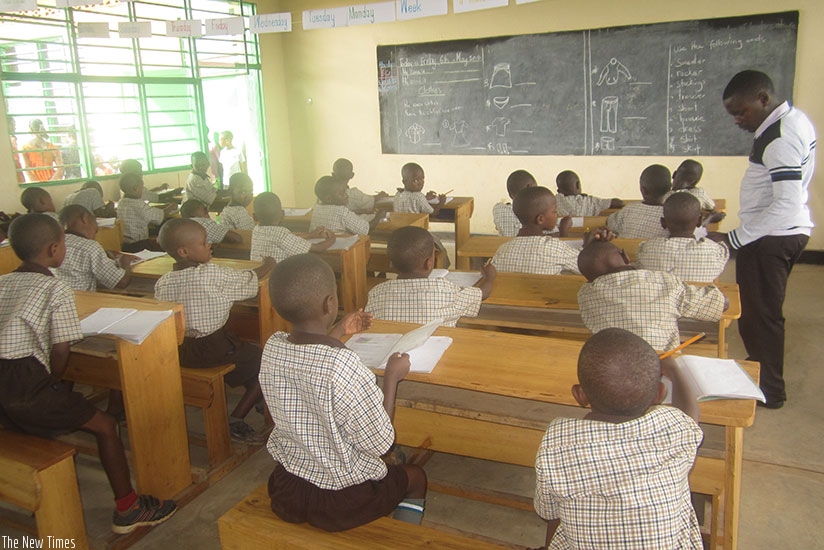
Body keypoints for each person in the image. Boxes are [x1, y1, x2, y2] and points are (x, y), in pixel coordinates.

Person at [0, 214, 176, 533]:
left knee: (26, 423)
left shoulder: (2, 281)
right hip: (25, 380)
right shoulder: (56, 288)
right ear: (54, 249)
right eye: (64, 243)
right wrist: (53, 382)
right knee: (106, 426)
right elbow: (62, 348)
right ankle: (128, 508)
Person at [262, 254, 427, 531]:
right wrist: (391, 378)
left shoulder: (273, 348)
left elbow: (310, 356)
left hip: (287, 489)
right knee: (416, 477)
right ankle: (402, 536)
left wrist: (338, 330)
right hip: (342, 501)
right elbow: (380, 444)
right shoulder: (344, 365)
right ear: (330, 303)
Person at [534, 328, 703, 549]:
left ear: (579, 395)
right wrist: (675, 369)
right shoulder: (673, 427)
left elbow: (549, 513)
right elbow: (691, 413)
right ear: (660, 394)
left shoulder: (556, 442)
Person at [709, 70, 816, 409]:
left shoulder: (780, 137)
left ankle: (769, 390)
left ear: (763, 99)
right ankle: (762, 378)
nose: (738, 120)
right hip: (776, 233)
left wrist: (735, 239)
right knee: (760, 313)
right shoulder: (790, 121)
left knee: (761, 316)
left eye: (741, 112)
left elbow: (785, 203)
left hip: (772, 238)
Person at [154, 218, 275, 442]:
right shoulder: (210, 273)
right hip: (213, 348)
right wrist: (269, 264)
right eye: (203, 243)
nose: (209, 244)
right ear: (184, 251)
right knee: (267, 361)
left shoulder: (163, 282)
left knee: (247, 356)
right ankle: (236, 418)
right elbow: (249, 278)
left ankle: (259, 399)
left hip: (181, 350)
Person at [577, 240, 727, 351]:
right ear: (625, 256)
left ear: (589, 279)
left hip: (613, 362)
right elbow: (719, 305)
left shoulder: (585, 295)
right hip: (663, 363)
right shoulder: (664, 281)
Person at [365, 226, 496, 327]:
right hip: (439, 357)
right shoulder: (446, 290)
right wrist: (489, 277)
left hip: (392, 358)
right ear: (429, 263)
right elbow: (483, 294)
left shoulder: (376, 293)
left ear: (391, 264)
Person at [491, 186, 599, 275]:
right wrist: (586, 246)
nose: (557, 215)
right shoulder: (555, 248)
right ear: (540, 219)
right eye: (554, 211)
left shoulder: (502, 249)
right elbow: (585, 267)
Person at [636, 193, 729, 283]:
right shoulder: (714, 252)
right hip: (699, 299)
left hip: (664, 299)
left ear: (663, 223)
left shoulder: (648, 249)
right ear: (699, 221)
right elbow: (723, 252)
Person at [53, 204, 132, 291]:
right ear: (85, 218)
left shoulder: (54, 243)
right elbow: (121, 282)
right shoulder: (90, 247)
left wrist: (104, 254)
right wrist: (125, 262)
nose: (97, 230)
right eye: (96, 222)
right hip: (83, 302)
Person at [251, 192, 335, 262]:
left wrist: (310, 235)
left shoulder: (256, 230)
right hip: (278, 277)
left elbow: (291, 238)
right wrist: (332, 239)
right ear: (282, 215)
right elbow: (318, 248)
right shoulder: (282, 234)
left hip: (260, 276)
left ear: (254, 217)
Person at [606, 164, 671, 239]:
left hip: (626, 250)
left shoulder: (629, 209)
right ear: (669, 188)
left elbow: (609, 222)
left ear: (643, 190)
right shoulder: (669, 215)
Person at [117, 172, 174, 252]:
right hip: (140, 244)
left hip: (125, 244)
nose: (142, 191)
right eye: (141, 188)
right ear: (135, 188)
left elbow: (147, 211)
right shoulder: (138, 204)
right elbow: (160, 217)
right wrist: (170, 208)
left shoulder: (121, 202)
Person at [310, 176, 386, 235]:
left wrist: (359, 211)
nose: (346, 196)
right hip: (342, 251)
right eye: (342, 194)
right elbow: (367, 229)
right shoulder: (342, 211)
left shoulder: (317, 208)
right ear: (329, 199)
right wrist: (379, 216)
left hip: (324, 251)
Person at [555, 170, 623, 216]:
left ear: (558, 191)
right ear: (578, 185)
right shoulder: (589, 202)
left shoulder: (554, 201)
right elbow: (618, 203)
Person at [493, 169, 537, 237]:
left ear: (510, 195)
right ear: (530, 187)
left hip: (505, 246)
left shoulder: (498, 210)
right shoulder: (538, 212)